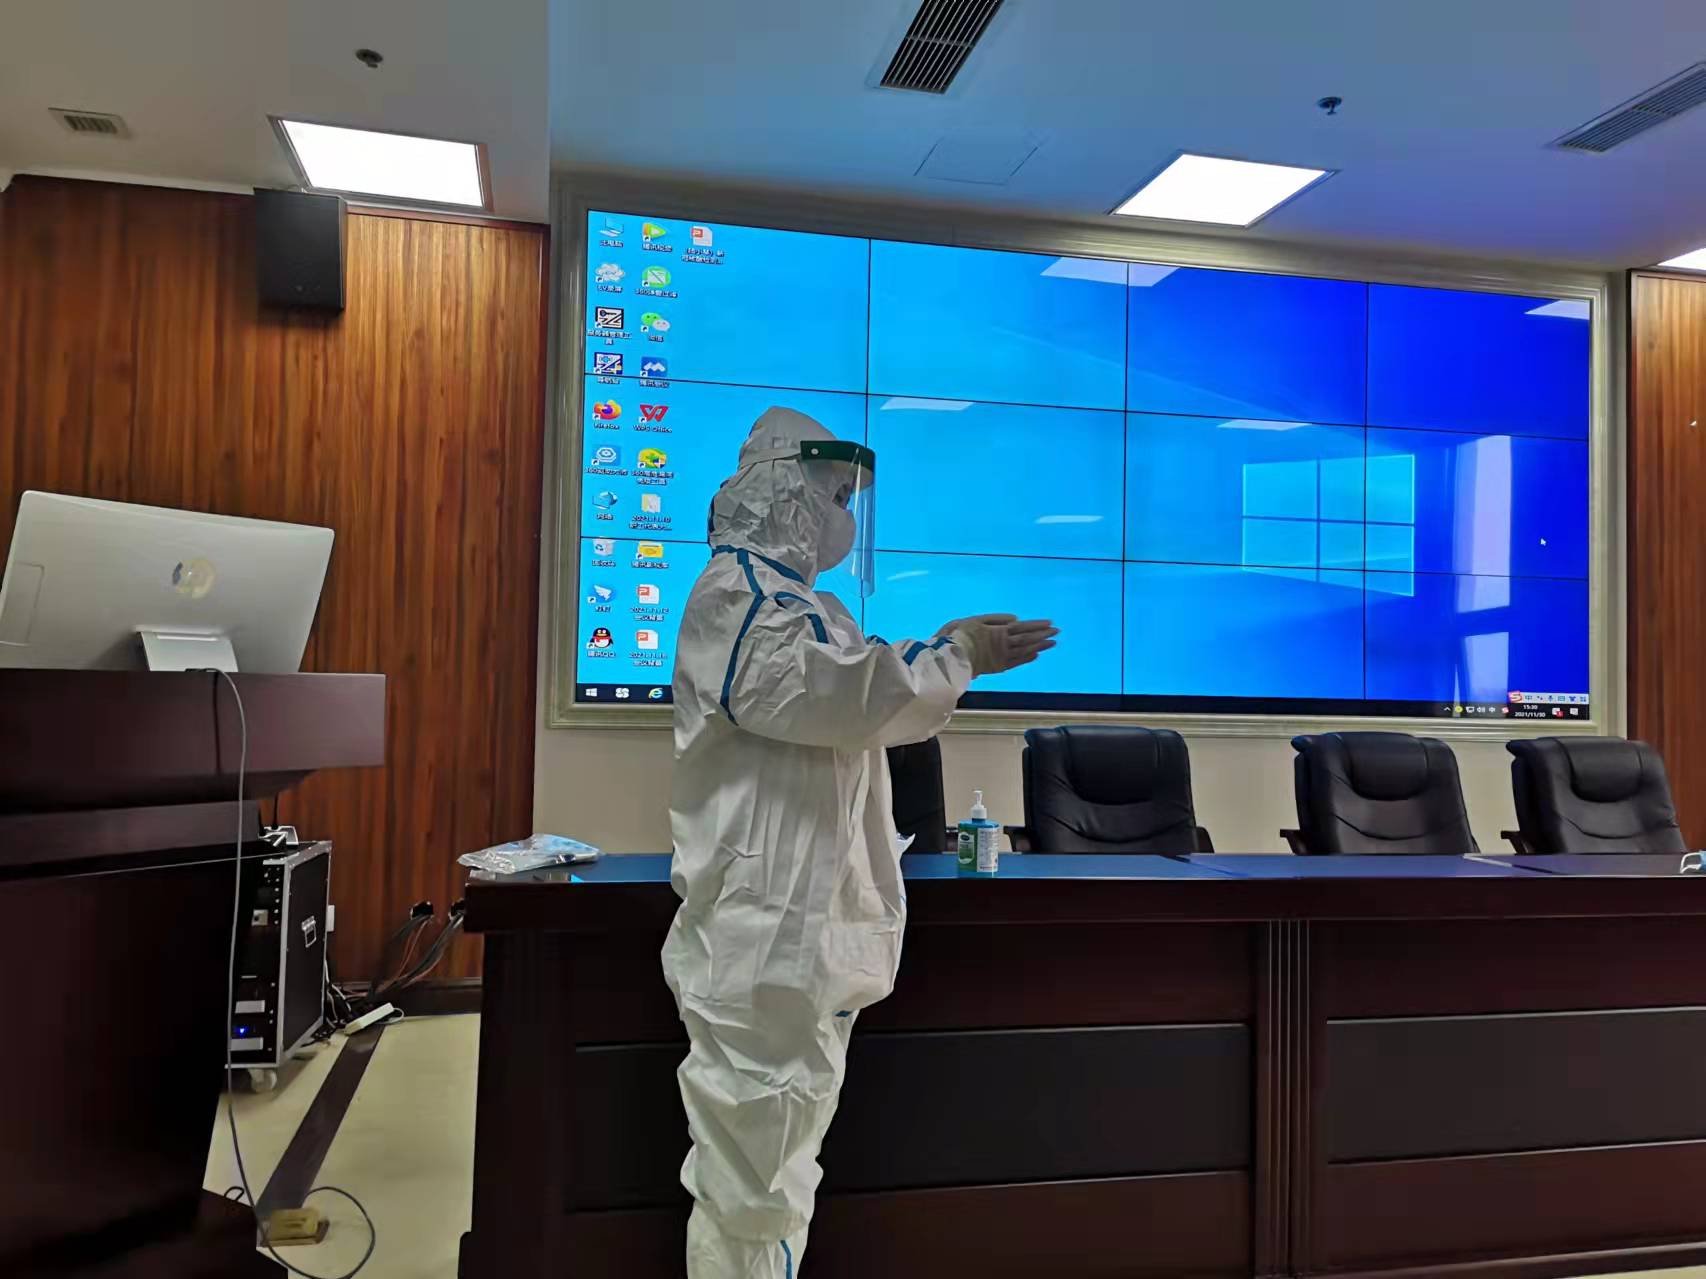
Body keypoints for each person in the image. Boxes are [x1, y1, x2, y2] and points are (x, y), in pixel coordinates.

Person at [662, 406, 1058, 1277]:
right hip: (762, 942)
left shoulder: (807, 607)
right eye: (834, 493)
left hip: (796, 943)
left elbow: (863, 682)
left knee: (777, 1172)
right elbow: (845, 694)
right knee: (752, 1182)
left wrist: (952, 653)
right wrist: (957, 653)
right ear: (781, 487)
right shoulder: (738, 597)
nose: (843, 514)